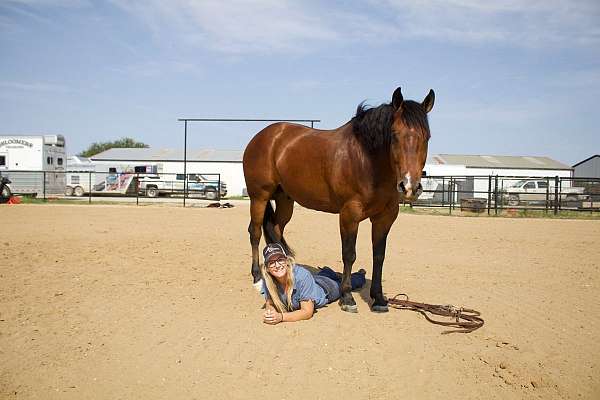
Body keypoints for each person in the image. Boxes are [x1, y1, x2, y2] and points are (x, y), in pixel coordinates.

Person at [261, 242, 366, 325]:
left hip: (326, 288)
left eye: (280, 260)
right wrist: (271, 313)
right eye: (271, 262)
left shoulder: (302, 275)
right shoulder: (268, 280)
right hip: (313, 281)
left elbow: (307, 312)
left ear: (287, 260)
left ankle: (360, 275)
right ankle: (327, 272)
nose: (277, 265)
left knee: (348, 282)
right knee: (320, 276)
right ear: (267, 269)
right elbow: (270, 303)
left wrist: (281, 317)